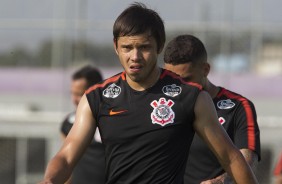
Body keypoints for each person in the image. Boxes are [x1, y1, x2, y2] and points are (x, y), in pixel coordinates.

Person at [39, 3, 259, 184]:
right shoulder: (96, 98)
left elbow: (231, 158)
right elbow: (66, 157)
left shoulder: (191, 97)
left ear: (159, 46)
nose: (135, 56)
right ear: (116, 46)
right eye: (127, 47)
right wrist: (49, 180)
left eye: (143, 47)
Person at [163, 34, 261, 184]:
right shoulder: (161, 105)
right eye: (174, 79)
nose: (180, 87)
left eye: (187, 79)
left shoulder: (238, 107)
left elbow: (247, 162)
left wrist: (221, 182)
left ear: (206, 69)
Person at [60, 65, 105, 184]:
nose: (75, 99)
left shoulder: (113, 121)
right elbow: (66, 162)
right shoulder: (68, 124)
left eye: (80, 94)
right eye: (72, 93)